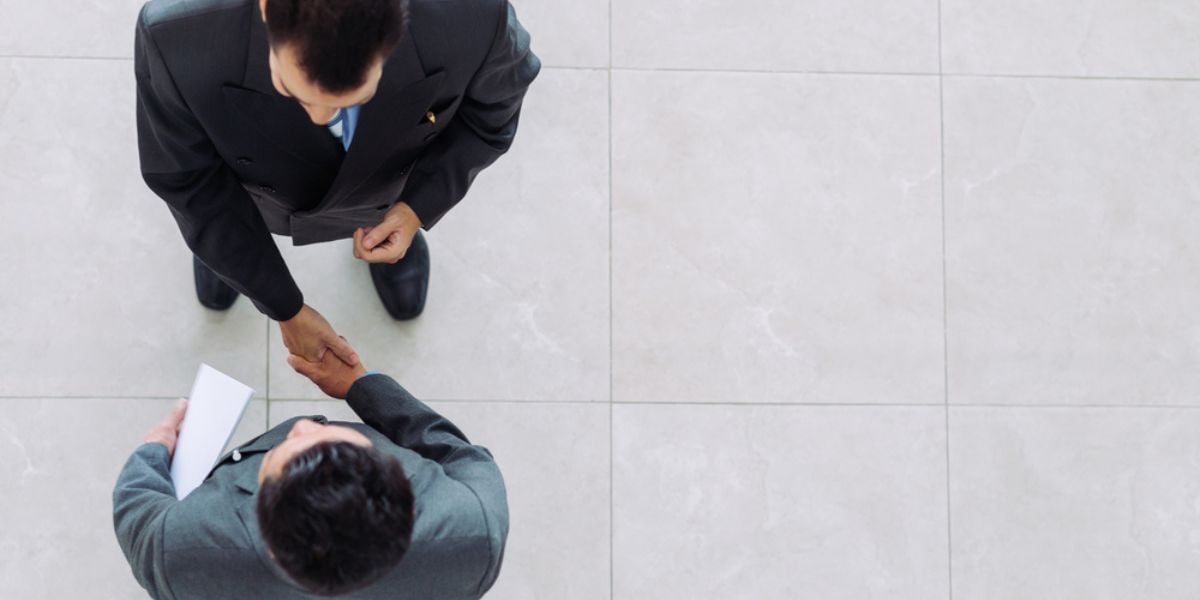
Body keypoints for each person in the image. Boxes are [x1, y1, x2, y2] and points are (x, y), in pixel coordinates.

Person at [136, 0, 540, 366]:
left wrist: (417, 206)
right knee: (222, 229)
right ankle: (236, 257)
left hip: (386, 180)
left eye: (355, 99)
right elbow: (189, 179)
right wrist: (280, 302)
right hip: (248, 189)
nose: (319, 117)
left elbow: (491, 117)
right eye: (295, 91)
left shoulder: (476, 15)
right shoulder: (176, 36)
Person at [113, 352, 508, 598]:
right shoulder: (475, 530)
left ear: (266, 538)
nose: (303, 426)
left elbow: (137, 507)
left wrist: (155, 448)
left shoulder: (180, 549)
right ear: (405, 489)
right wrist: (362, 386)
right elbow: (459, 455)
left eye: (280, 456)